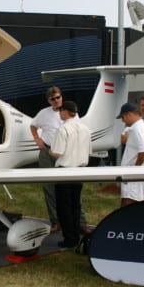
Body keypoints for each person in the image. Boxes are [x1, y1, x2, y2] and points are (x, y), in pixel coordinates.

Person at [30, 87, 89, 234]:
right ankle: (55, 221)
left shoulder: (71, 113)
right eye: (52, 99)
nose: (56, 101)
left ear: (61, 97)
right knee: (49, 188)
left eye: (58, 97)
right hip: (48, 151)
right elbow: (33, 125)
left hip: (65, 153)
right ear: (48, 101)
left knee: (72, 188)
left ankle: (81, 222)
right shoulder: (43, 113)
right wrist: (37, 139)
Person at [49, 101, 91, 248]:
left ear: (66, 112)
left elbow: (57, 152)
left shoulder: (63, 129)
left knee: (64, 207)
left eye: (61, 111)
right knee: (75, 205)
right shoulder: (85, 128)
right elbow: (88, 151)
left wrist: (49, 151)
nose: (60, 113)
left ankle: (69, 239)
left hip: (65, 171)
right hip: (80, 170)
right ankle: (76, 233)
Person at [117, 103, 144, 207]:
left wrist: (135, 169)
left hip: (134, 177)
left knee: (129, 205)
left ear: (129, 114)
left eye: (123, 117)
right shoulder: (139, 127)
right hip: (134, 176)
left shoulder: (138, 128)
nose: (122, 121)